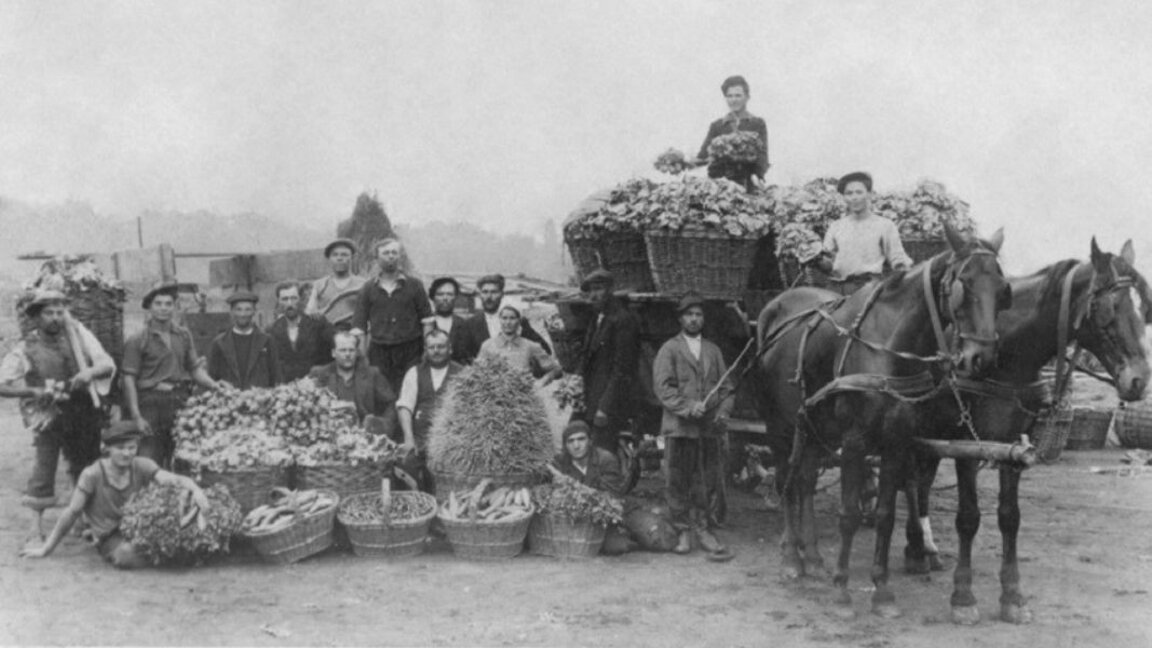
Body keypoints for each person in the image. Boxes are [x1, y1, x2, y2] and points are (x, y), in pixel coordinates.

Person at [0, 290, 116, 546]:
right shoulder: (25, 349)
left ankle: (84, 520)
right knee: (45, 465)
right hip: (49, 413)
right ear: (36, 318)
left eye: (59, 312)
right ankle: (34, 528)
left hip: (82, 410)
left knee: (84, 463)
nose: (55, 318)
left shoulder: (78, 336)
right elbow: (1, 384)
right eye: (48, 313)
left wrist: (90, 373)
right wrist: (31, 390)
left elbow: (106, 364)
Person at [19, 420, 211, 569]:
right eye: (120, 448)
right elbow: (72, 512)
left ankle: (164, 555)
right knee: (126, 556)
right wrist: (46, 549)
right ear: (106, 449)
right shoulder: (92, 474)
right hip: (110, 535)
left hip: (138, 529)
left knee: (186, 540)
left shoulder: (142, 465)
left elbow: (174, 479)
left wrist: (196, 489)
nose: (127, 454)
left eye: (131, 448)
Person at [653, 293, 735, 559]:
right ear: (680, 318)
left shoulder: (713, 350)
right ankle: (682, 530)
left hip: (708, 429)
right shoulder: (669, 349)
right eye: (689, 314)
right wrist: (688, 408)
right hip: (680, 428)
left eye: (698, 315)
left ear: (703, 319)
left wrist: (722, 412)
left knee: (706, 480)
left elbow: (726, 388)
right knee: (677, 479)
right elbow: (663, 389)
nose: (694, 319)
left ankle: (703, 529)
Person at [122, 281, 221, 468]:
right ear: (149, 308)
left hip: (179, 401)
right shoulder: (137, 340)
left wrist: (215, 385)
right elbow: (128, 379)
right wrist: (136, 416)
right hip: (150, 403)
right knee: (149, 460)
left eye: (168, 304)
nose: (163, 309)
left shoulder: (183, 335)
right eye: (158, 304)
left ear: (174, 307)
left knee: (182, 458)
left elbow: (194, 368)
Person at [350, 238, 432, 391]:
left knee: (411, 390)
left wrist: (426, 349)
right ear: (377, 258)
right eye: (386, 253)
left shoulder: (415, 285)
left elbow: (427, 320)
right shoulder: (367, 289)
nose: (391, 256)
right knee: (382, 393)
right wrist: (362, 359)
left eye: (394, 252)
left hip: (411, 351)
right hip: (379, 352)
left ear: (400, 257)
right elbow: (359, 327)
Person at [816, 171, 914, 296]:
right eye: (849, 193)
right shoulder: (836, 226)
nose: (854, 197)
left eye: (859, 192)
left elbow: (898, 258)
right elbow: (829, 261)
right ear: (844, 197)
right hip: (837, 289)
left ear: (869, 195)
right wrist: (816, 258)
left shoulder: (884, 225)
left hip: (868, 289)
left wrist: (903, 272)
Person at [578, 269, 642, 454]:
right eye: (590, 290)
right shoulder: (598, 317)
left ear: (610, 289)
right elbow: (587, 355)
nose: (594, 295)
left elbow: (623, 369)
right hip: (593, 398)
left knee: (602, 454)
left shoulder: (622, 320)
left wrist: (604, 407)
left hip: (612, 402)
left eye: (599, 289)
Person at [395, 329, 464, 492]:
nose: (436, 351)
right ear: (425, 350)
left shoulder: (463, 374)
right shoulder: (414, 373)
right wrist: (409, 438)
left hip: (451, 442)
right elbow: (405, 407)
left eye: (441, 346)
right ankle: (417, 505)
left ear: (450, 349)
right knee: (405, 465)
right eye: (431, 347)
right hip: (420, 440)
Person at [687, 75, 770, 191]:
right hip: (718, 186)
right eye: (729, 96)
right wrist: (685, 163)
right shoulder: (717, 126)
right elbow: (703, 156)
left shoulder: (757, 124)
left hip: (747, 184)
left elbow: (762, 156)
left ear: (747, 97)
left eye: (738, 95)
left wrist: (758, 175)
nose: (733, 100)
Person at [308, 331, 399, 434]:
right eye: (343, 350)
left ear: (357, 352)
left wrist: (382, 424)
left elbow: (392, 403)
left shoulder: (372, 374)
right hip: (330, 435)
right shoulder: (320, 374)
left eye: (351, 350)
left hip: (364, 435)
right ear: (333, 353)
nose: (347, 354)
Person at [458, 273, 551, 362]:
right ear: (479, 295)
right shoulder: (470, 324)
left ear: (502, 294)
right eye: (485, 292)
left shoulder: (517, 321)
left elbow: (545, 350)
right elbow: (464, 356)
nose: (489, 297)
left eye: (494, 292)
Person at [207, 291, 283, 389]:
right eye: (238, 309)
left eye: (248, 309)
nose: (243, 314)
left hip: (260, 399)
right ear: (232, 312)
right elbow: (212, 378)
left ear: (254, 311)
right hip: (229, 399)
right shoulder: (219, 343)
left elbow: (276, 376)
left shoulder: (267, 341)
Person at [478, 305, 562, 387]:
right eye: (504, 318)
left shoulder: (530, 346)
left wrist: (543, 381)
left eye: (512, 318)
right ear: (499, 320)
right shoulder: (488, 345)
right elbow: (477, 373)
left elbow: (556, 369)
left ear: (519, 321)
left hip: (524, 395)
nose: (508, 322)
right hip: (495, 395)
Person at [267, 281, 335, 382]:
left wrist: (323, 372)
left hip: (317, 386)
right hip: (286, 389)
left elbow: (340, 348)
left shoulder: (317, 323)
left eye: (293, 298)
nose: (289, 303)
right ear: (279, 301)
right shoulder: (272, 330)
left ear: (301, 299)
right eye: (285, 299)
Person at [305, 238, 367, 330]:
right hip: (327, 334)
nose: (339, 258)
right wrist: (313, 312)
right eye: (335, 255)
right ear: (329, 259)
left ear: (352, 258)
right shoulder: (320, 284)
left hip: (354, 334)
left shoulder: (364, 284)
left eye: (344, 255)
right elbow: (309, 310)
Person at [552, 421, 625, 496]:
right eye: (571, 441)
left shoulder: (606, 460)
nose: (576, 446)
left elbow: (610, 496)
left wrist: (567, 482)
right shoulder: (560, 461)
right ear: (565, 446)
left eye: (581, 439)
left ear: (590, 441)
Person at [426, 276, 471, 365]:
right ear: (433, 297)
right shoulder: (426, 323)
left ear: (456, 297)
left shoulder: (463, 325)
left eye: (449, 294)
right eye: (440, 294)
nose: (445, 298)